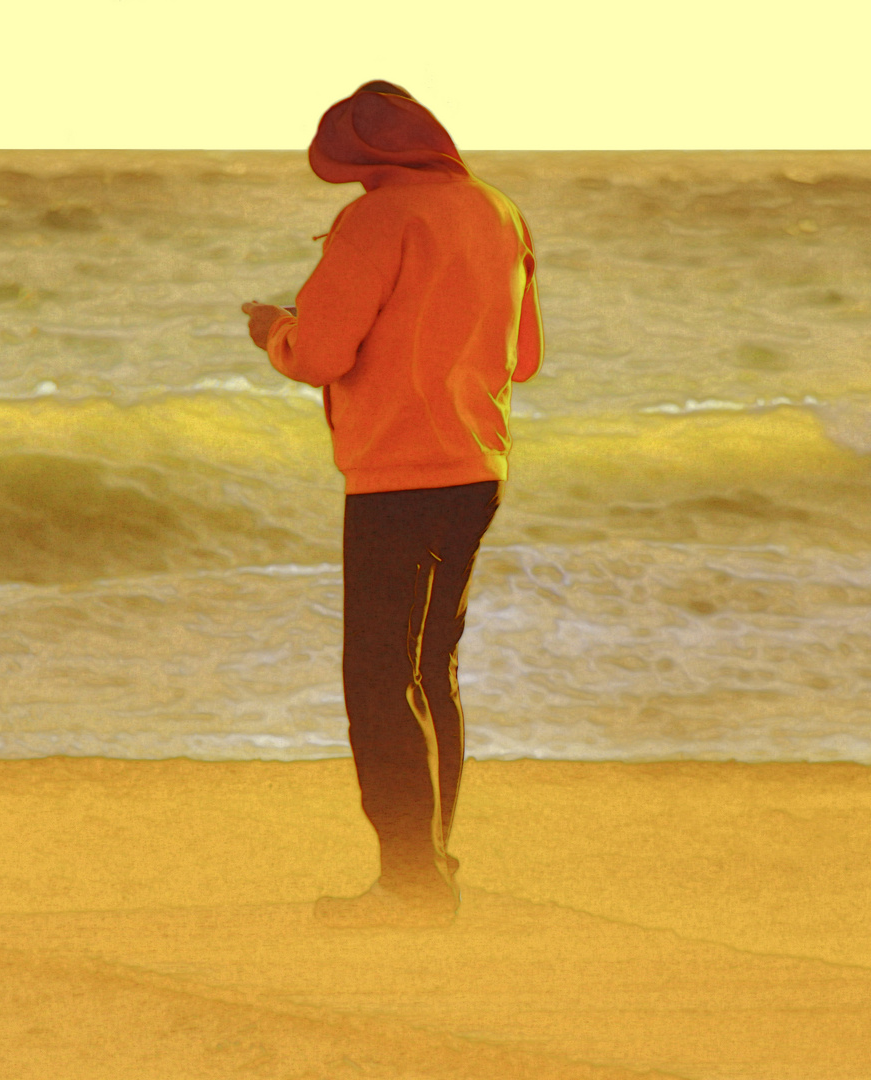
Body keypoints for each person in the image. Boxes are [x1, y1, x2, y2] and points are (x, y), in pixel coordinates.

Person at [241, 80, 543, 928]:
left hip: (395, 473)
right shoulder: (498, 211)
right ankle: (432, 864)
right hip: (476, 465)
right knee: (431, 670)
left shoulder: (375, 220)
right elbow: (523, 358)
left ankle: (407, 886)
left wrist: (275, 328)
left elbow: (320, 355)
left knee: (377, 678)